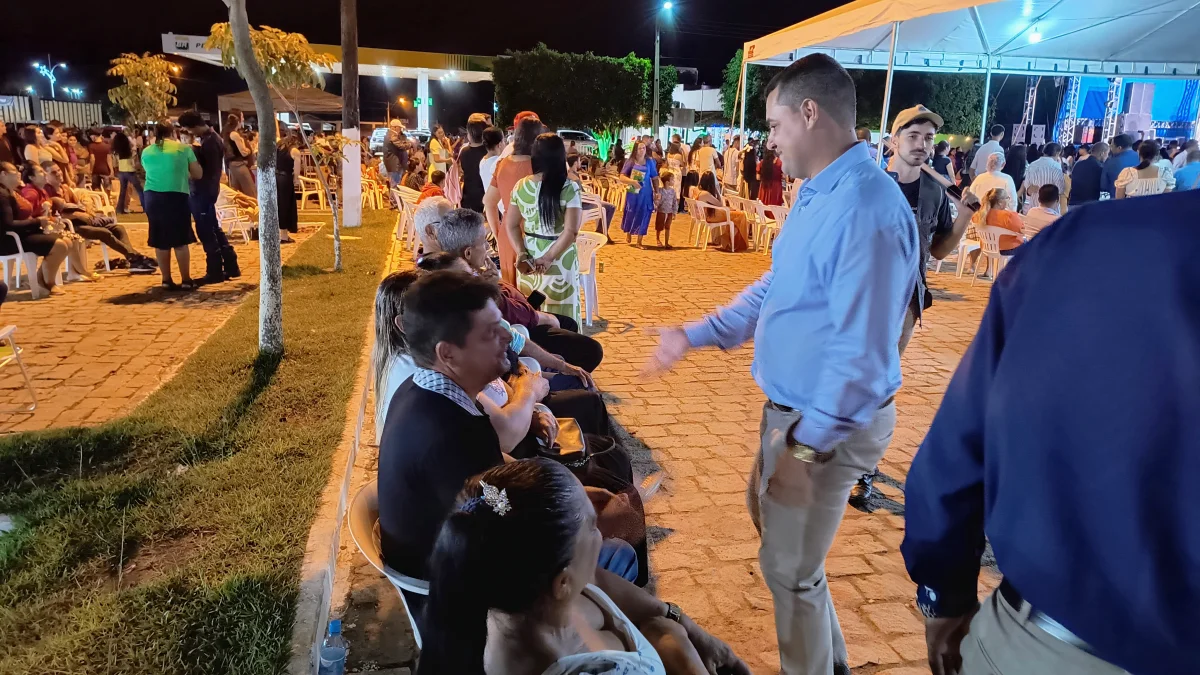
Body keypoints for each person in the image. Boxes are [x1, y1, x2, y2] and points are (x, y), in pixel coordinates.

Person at [644, 53, 918, 675]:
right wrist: (697, 333)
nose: (769, 140)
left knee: (788, 569)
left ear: (810, 113)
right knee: (782, 546)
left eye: (774, 124)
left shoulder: (866, 208)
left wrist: (805, 449)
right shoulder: (819, 192)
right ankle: (830, 662)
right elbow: (778, 285)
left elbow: (862, 357)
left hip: (825, 424)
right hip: (791, 415)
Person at [901, 189, 1200, 675]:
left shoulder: (1092, 240)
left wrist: (944, 594)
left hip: (1049, 641)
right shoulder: (1089, 239)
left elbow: (956, 453)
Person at [377, 272, 639, 593]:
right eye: (490, 331)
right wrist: (574, 516)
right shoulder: (448, 431)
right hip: (458, 588)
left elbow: (491, 483)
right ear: (448, 353)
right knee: (618, 549)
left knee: (603, 501)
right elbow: (502, 517)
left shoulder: (429, 389)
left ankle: (637, 613)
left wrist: (571, 493)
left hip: (467, 548)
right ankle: (620, 618)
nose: (507, 335)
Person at [418, 459, 751, 675]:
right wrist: (675, 643)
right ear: (562, 582)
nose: (601, 534)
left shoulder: (531, 597)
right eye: (592, 526)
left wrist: (679, 627)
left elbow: (601, 585)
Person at [851, 105, 977, 504]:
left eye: (928, 139)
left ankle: (864, 467)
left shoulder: (934, 192)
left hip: (905, 302)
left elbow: (938, 249)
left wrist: (965, 216)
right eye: (913, 136)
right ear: (893, 141)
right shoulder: (868, 184)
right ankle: (840, 452)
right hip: (859, 299)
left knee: (881, 383)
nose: (922, 145)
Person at [507, 133, 584, 323]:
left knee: (533, 314)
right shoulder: (569, 187)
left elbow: (512, 225)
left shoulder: (521, 186)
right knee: (563, 316)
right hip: (560, 258)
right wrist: (549, 257)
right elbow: (571, 231)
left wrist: (521, 253)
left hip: (530, 258)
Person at [40, 161, 158, 273]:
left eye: (59, 170)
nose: (58, 174)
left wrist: (80, 211)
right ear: (46, 177)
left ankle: (133, 259)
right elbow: (52, 214)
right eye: (53, 172)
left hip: (82, 221)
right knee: (103, 232)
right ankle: (135, 257)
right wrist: (72, 214)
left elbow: (79, 206)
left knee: (118, 228)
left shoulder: (65, 189)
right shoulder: (46, 193)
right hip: (68, 226)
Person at [178, 112, 240, 285]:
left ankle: (215, 270)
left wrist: (193, 153)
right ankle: (230, 264)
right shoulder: (211, 139)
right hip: (207, 189)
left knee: (206, 230)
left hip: (203, 190)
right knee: (213, 227)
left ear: (194, 126)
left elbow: (205, 170)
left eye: (189, 129)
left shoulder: (210, 142)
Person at [141, 120, 202, 290]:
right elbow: (197, 174)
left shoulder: (146, 151)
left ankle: (166, 280)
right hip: (176, 195)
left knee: (160, 240)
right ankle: (186, 280)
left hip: (152, 196)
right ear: (173, 133)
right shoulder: (183, 149)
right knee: (180, 240)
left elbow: (149, 170)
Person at [485, 117, 542, 284]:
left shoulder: (502, 164)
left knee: (512, 290)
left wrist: (497, 233)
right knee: (533, 289)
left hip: (507, 234)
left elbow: (489, 202)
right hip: (534, 234)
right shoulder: (538, 166)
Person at [0, 162, 69, 299]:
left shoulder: (12, 191)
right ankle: (48, 282)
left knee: (67, 240)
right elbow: (8, 224)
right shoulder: (2, 196)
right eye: (15, 172)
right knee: (60, 246)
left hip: (22, 233)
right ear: (3, 174)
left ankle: (40, 280)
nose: (19, 174)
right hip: (9, 239)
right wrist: (37, 222)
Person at [617, 140, 660, 248]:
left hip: (646, 193)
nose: (642, 150)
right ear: (635, 150)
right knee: (631, 212)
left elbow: (654, 177)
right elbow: (622, 176)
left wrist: (657, 191)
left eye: (643, 148)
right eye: (639, 148)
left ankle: (639, 241)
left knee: (645, 214)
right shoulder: (631, 161)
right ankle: (629, 231)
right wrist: (632, 181)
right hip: (633, 193)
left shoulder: (650, 162)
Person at [694, 172, 749, 252]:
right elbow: (719, 204)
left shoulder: (699, 191)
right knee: (741, 215)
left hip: (708, 215)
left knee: (734, 216)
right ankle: (738, 242)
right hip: (711, 217)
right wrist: (717, 191)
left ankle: (729, 241)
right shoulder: (706, 194)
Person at [1019, 142, 1065, 213]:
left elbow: (1027, 187)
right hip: (1050, 210)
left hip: (1033, 208)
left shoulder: (1032, 165)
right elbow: (1060, 189)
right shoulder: (1056, 166)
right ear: (1057, 153)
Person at [458, 114, 490, 212]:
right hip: (485, 198)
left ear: (469, 134)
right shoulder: (489, 151)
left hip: (468, 198)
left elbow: (462, 170)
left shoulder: (464, 151)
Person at [221, 114, 255, 197]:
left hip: (234, 165)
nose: (243, 119)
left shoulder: (229, 133)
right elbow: (244, 152)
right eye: (242, 117)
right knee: (250, 191)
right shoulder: (234, 134)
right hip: (239, 164)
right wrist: (249, 150)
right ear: (238, 121)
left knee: (237, 191)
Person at [275, 127, 299, 243]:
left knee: (278, 205)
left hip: (275, 177)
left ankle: (278, 233)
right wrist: (295, 180)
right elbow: (297, 171)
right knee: (286, 206)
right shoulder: (294, 151)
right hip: (286, 179)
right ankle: (284, 235)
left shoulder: (278, 147)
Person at [111, 130, 144, 214]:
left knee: (123, 191)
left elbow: (115, 164)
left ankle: (119, 209)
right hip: (130, 171)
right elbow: (134, 163)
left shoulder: (116, 153)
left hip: (121, 172)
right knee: (139, 190)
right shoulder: (130, 151)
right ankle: (145, 207)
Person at [1068, 141, 1107, 205]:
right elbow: (1103, 186)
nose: (1107, 156)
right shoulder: (1100, 168)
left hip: (1073, 202)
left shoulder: (1079, 164)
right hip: (1088, 204)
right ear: (1102, 153)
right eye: (1107, 154)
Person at [1100, 133, 1138, 197]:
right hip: (1137, 198)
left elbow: (1103, 185)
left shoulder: (1110, 162)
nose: (1110, 148)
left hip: (1117, 199)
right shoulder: (1141, 158)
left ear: (1119, 148)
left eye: (1112, 146)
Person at [383, 119, 410, 189]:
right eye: (399, 127)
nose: (401, 129)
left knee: (395, 185)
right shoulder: (392, 135)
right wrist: (409, 144)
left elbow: (404, 142)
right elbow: (402, 146)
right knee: (395, 186)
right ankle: (393, 197)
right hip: (395, 166)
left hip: (396, 165)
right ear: (394, 127)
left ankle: (393, 196)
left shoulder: (393, 135)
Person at [655, 171, 677, 248]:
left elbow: (674, 202)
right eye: (672, 179)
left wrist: (674, 212)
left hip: (669, 212)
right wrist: (657, 201)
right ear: (667, 182)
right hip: (661, 211)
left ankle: (666, 243)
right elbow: (657, 202)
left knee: (668, 227)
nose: (673, 181)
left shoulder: (673, 191)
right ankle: (658, 239)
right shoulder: (660, 191)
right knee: (659, 227)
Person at [740, 137, 760, 202]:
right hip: (753, 181)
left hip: (745, 180)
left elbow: (741, 170)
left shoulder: (744, 161)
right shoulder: (755, 163)